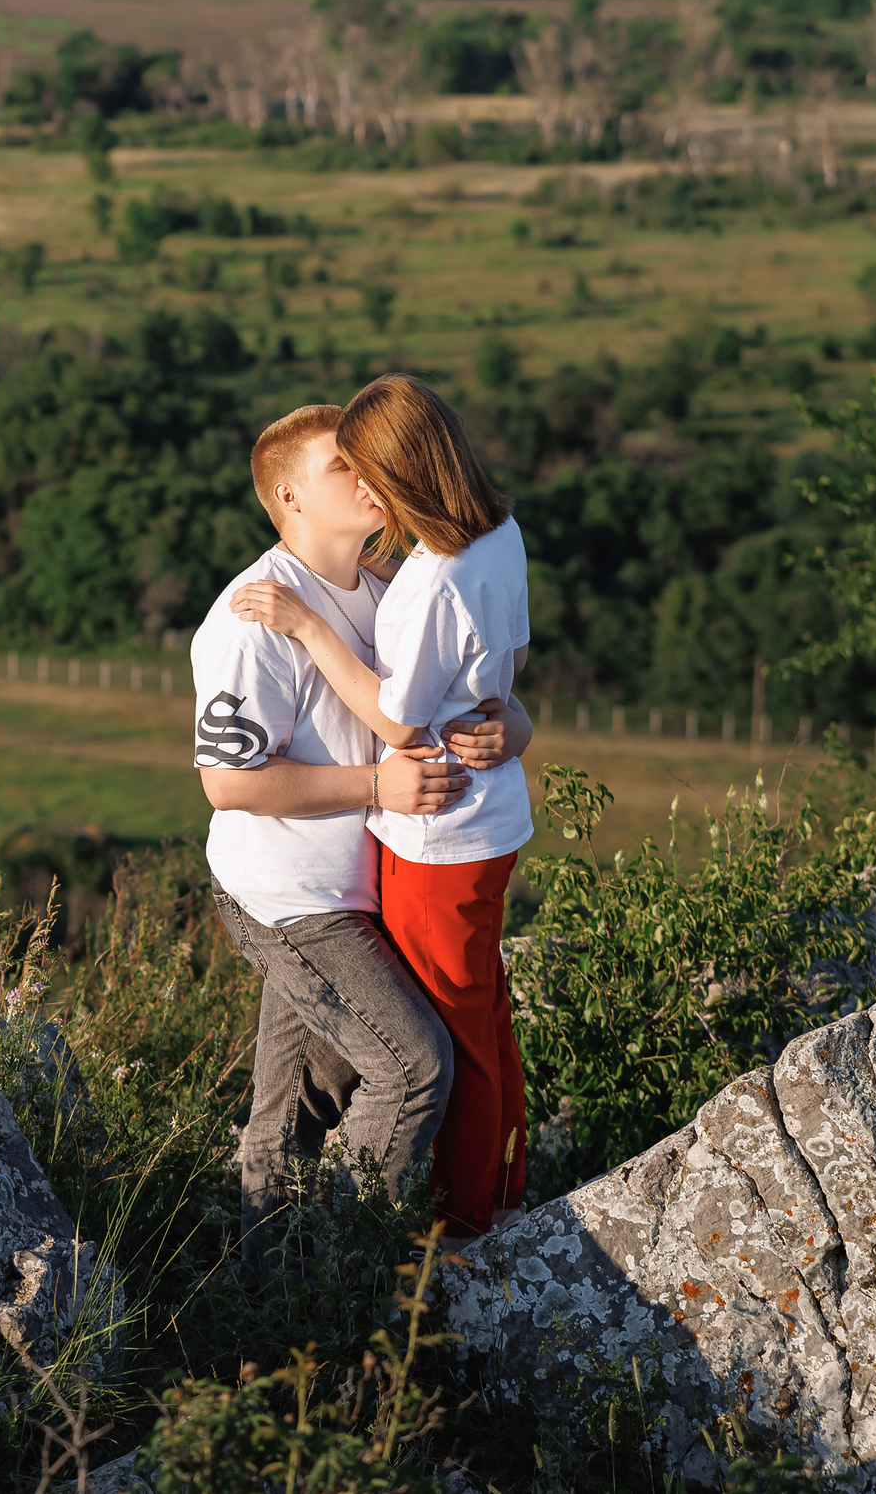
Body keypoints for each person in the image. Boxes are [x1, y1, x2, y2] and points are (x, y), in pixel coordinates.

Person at [193, 403, 531, 1260]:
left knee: (296, 1106)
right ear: (289, 495)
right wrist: (377, 782)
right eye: (341, 466)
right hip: (293, 899)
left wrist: (514, 725)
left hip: (360, 887)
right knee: (414, 1067)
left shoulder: (385, 586)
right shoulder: (253, 617)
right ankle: (342, 1280)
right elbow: (228, 782)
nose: (365, 475)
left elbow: (471, 689)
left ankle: (266, 1314)